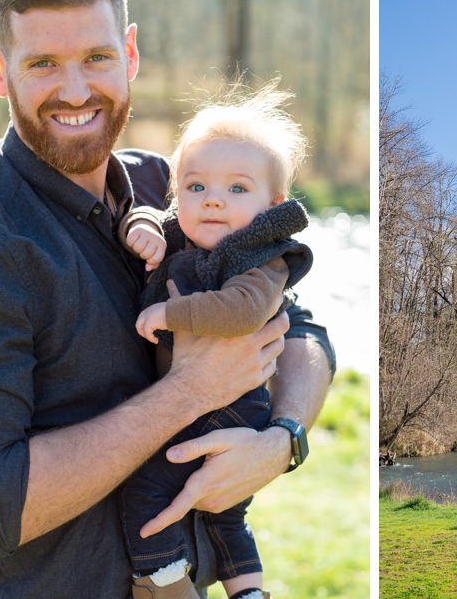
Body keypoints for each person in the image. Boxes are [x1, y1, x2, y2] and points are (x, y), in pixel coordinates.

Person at [0, 0, 334, 598]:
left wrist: (282, 441)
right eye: (43, 63)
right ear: (0, 70)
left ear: (130, 54)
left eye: (97, 58)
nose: (75, 89)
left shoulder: (171, 185)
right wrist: (189, 392)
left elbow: (303, 331)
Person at [120, 84, 313, 599]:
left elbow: (243, 311)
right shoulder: (183, 233)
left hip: (230, 404)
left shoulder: (262, 258)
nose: (213, 202)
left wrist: (170, 311)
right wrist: (143, 227)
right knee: (226, 512)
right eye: (196, 187)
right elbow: (145, 215)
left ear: (272, 206)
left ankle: (162, 578)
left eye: (236, 190)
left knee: (147, 491)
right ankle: (249, 591)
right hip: (203, 402)